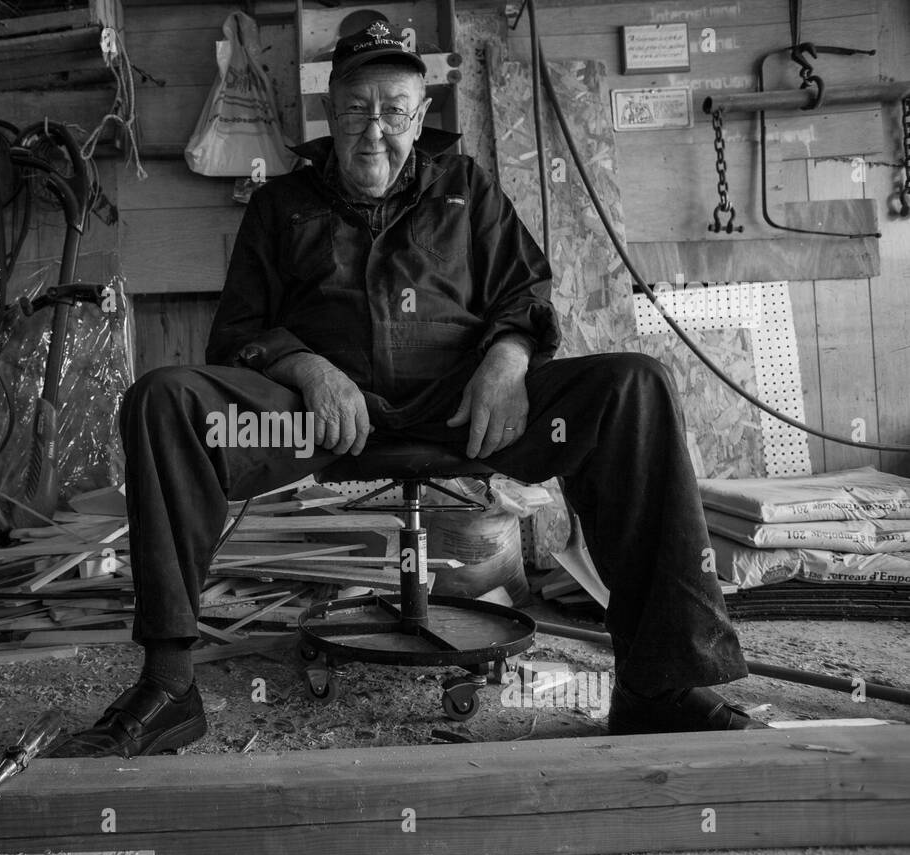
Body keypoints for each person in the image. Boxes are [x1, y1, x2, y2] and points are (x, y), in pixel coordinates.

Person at [49, 21, 766, 758]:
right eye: (358, 109)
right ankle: (169, 686)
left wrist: (509, 358)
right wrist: (307, 368)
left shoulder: (466, 188)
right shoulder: (281, 205)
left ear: (421, 117)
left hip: (473, 419)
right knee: (164, 403)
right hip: (313, 428)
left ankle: (658, 685)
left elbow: (526, 294)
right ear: (331, 110)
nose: (375, 131)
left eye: (395, 110)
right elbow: (237, 333)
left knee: (635, 389)